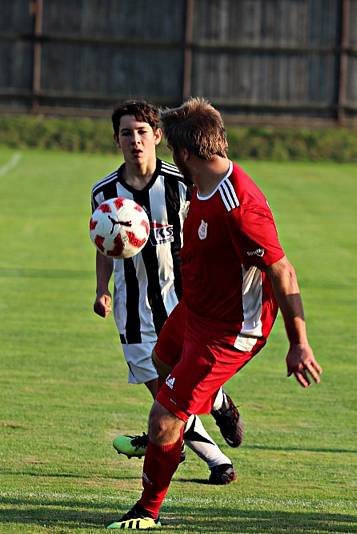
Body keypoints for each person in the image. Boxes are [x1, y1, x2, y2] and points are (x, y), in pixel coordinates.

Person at [106, 97, 322, 530]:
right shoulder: (199, 184)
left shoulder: (241, 208)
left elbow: (282, 270)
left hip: (230, 329)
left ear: (185, 154)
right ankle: (188, 424)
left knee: (164, 415)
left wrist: (299, 342)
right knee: (161, 363)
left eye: (172, 154)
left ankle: (147, 510)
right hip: (195, 310)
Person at [91, 100, 243, 486]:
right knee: (164, 395)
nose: (135, 141)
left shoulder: (181, 182)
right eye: (127, 133)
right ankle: (217, 453)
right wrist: (102, 290)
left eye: (142, 132)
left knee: (179, 392)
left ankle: (217, 426)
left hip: (184, 301)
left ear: (158, 136)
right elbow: (104, 245)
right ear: (117, 140)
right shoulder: (104, 193)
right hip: (132, 309)